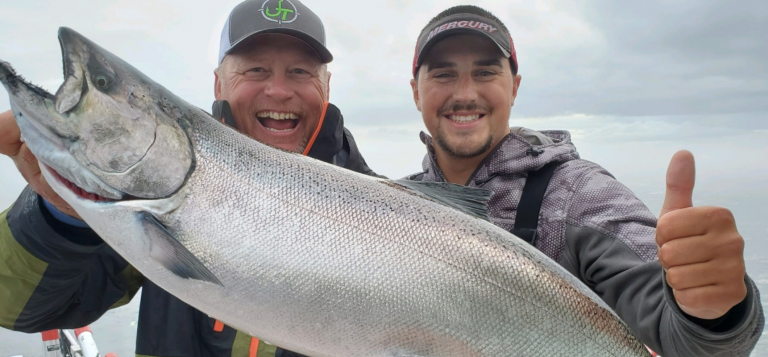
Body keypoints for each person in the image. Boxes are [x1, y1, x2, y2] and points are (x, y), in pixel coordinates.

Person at [0, 0, 375, 356]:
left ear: (326, 87)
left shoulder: (385, 216)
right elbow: (19, 309)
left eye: (300, 72)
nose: (277, 90)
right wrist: (58, 218)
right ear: (219, 85)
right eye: (255, 70)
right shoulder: (148, 204)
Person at [405, 5, 764, 357]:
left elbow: (684, 338)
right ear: (416, 91)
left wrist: (715, 312)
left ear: (513, 88)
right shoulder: (393, 206)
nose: (465, 94)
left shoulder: (576, 196)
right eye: (442, 74)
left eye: (485, 73)